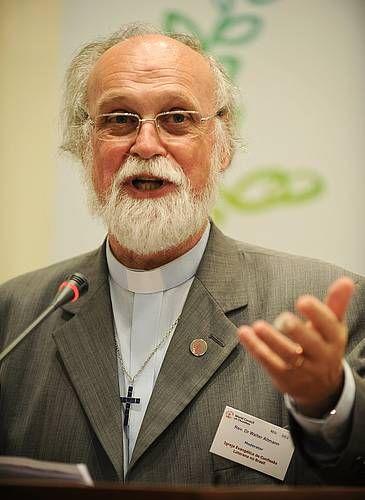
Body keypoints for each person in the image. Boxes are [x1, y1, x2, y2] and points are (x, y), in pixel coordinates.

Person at [0, 23, 364, 487]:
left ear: (221, 146)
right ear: (84, 147)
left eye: (177, 118)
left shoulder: (331, 311)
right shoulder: (14, 316)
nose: (146, 146)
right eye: (118, 119)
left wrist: (328, 404)